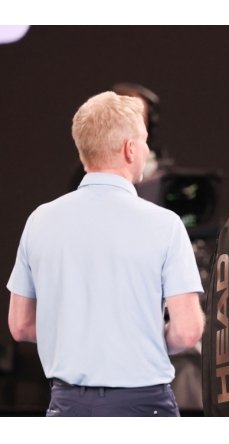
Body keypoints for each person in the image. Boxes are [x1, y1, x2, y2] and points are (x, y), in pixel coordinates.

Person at [7, 91, 205, 417]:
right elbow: (187, 331)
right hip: (144, 407)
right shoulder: (165, 225)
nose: (145, 150)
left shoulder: (39, 220)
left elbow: (21, 325)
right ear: (130, 149)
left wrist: (80, 337)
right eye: (143, 142)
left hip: (66, 408)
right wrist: (136, 339)